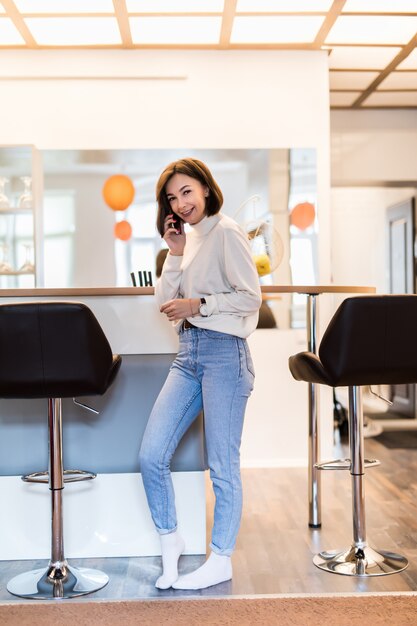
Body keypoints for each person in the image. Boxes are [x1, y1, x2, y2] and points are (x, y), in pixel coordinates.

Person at [139, 158, 262, 591]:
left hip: (225, 354)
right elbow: (163, 299)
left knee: (222, 466)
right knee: (151, 455)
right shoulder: (186, 240)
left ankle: (221, 558)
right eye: (172, 197)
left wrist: (199, 305)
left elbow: (251, 299)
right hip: (188, 353)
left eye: (187, 191)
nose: (181, 203)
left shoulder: (227, 231)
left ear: (206, 188)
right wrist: (173, 254)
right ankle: (171, 540)